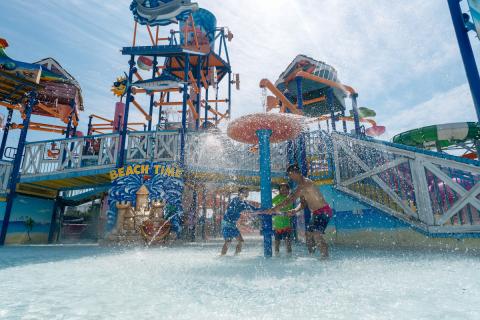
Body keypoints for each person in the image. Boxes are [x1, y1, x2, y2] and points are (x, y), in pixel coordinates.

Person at [267, 164, 333, 258]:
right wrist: (295, 210)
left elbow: (290, 199)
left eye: (290, 175)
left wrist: (275, 209)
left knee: (316, 234)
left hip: (323, 211)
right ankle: (312, 256)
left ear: (294, 173)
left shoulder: (305, 183)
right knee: (309, 235)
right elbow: (303, 203)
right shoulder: (301, 186)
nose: (290, 177)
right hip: (315, 213)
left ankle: (325, 257)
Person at [221, 187, 260, 255]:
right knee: (228, 241)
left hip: (232, 224)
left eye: (247, 192)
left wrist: (266, 210)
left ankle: (236, 255)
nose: (246, 193)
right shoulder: (235, 200)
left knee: (240, 241)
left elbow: (254, 209)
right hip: (226, 223)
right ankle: (222, 256)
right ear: (239, 193)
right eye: (244, 192)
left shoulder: (244, 203)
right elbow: (232, 208)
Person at [271, 183, 294, 256]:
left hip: (287, 225)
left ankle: (289, 256)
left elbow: (292, 210)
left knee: (288, 242)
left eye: (285, 189)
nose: (283, 191)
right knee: (277, 242)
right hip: (277, 225)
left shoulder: (290, 198)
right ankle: (277, 256)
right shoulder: (277, 197)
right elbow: (269, 204)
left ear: (288, 190)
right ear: (279, 191)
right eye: (282, 189)